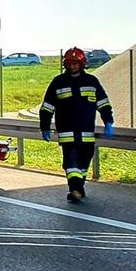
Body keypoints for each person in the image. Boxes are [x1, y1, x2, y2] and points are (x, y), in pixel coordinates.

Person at [39, 47, 115, 202]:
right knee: (71, 162)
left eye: (75, 63)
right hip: (67, 133)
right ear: (65, 64)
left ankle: (79, 187)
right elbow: (47, 107)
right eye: (69, 63)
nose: (72, 66)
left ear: (82, 64)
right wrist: (45, 127)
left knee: (84, 163)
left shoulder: (91, 81)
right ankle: (75, 190)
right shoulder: (58, 82)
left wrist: (108, 121)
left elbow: (103, 103)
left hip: (87, 133)